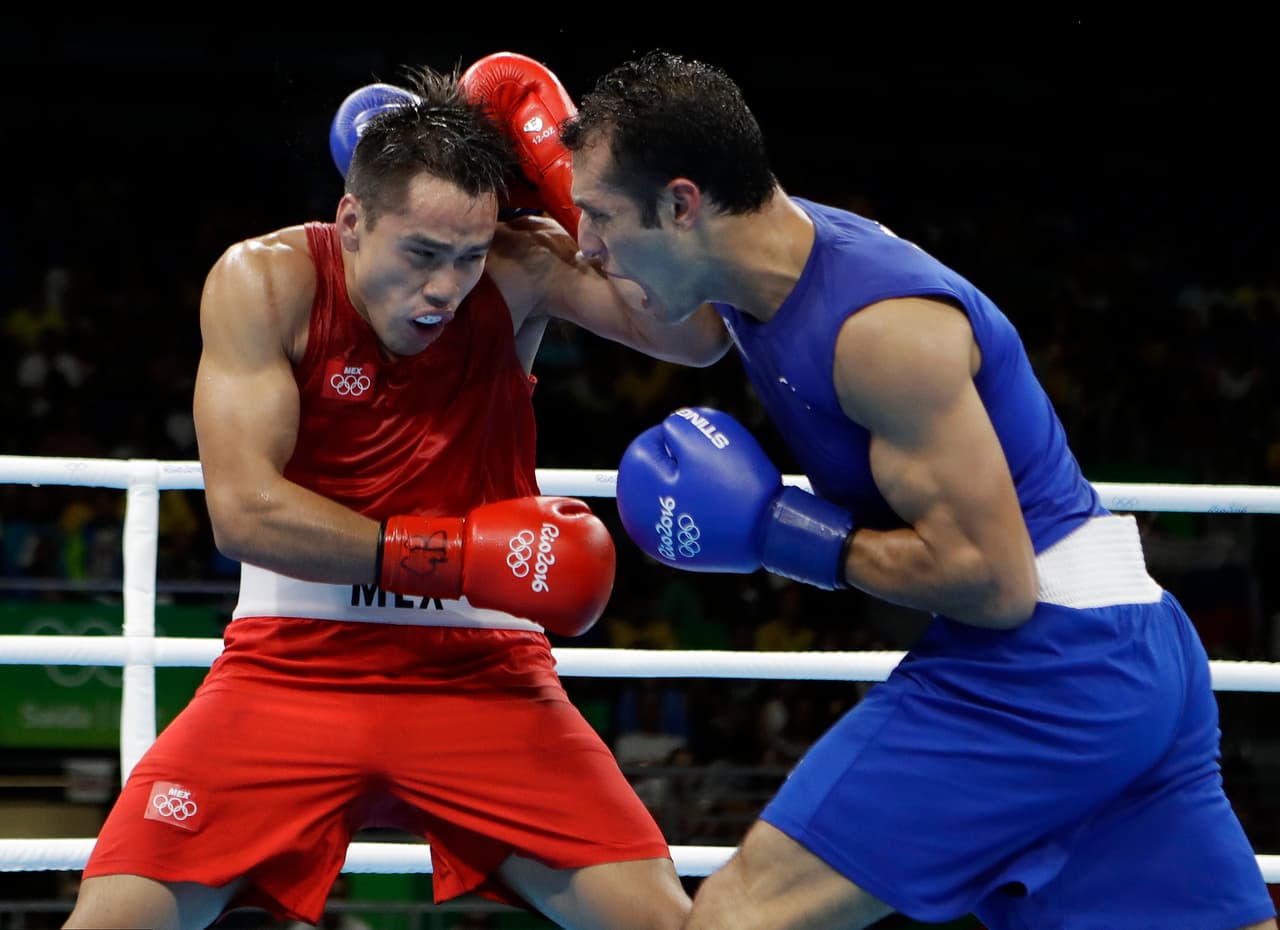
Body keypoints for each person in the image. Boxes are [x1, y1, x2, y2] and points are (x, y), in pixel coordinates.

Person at [559, 49, 1279, 930]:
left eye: (596, 216)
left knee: (734, 919)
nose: (586, 242)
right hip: (1134, 657)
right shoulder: (760, 267)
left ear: (682, 204)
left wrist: (778, 528)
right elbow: (654, 314)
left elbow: (994, 582)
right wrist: (515, 240)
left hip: (1046, 665)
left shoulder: (881, 337)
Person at [63, 55, 728, 930]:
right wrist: (450, 558)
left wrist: (573, 191)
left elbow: (706, 332)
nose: (447, 287)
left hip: (485, 680)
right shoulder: (267, 281)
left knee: (665, 924)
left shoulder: (518, 269)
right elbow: (243, 510)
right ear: (350, 219)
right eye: (422, 254)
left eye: (467, 255)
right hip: (290, 667)